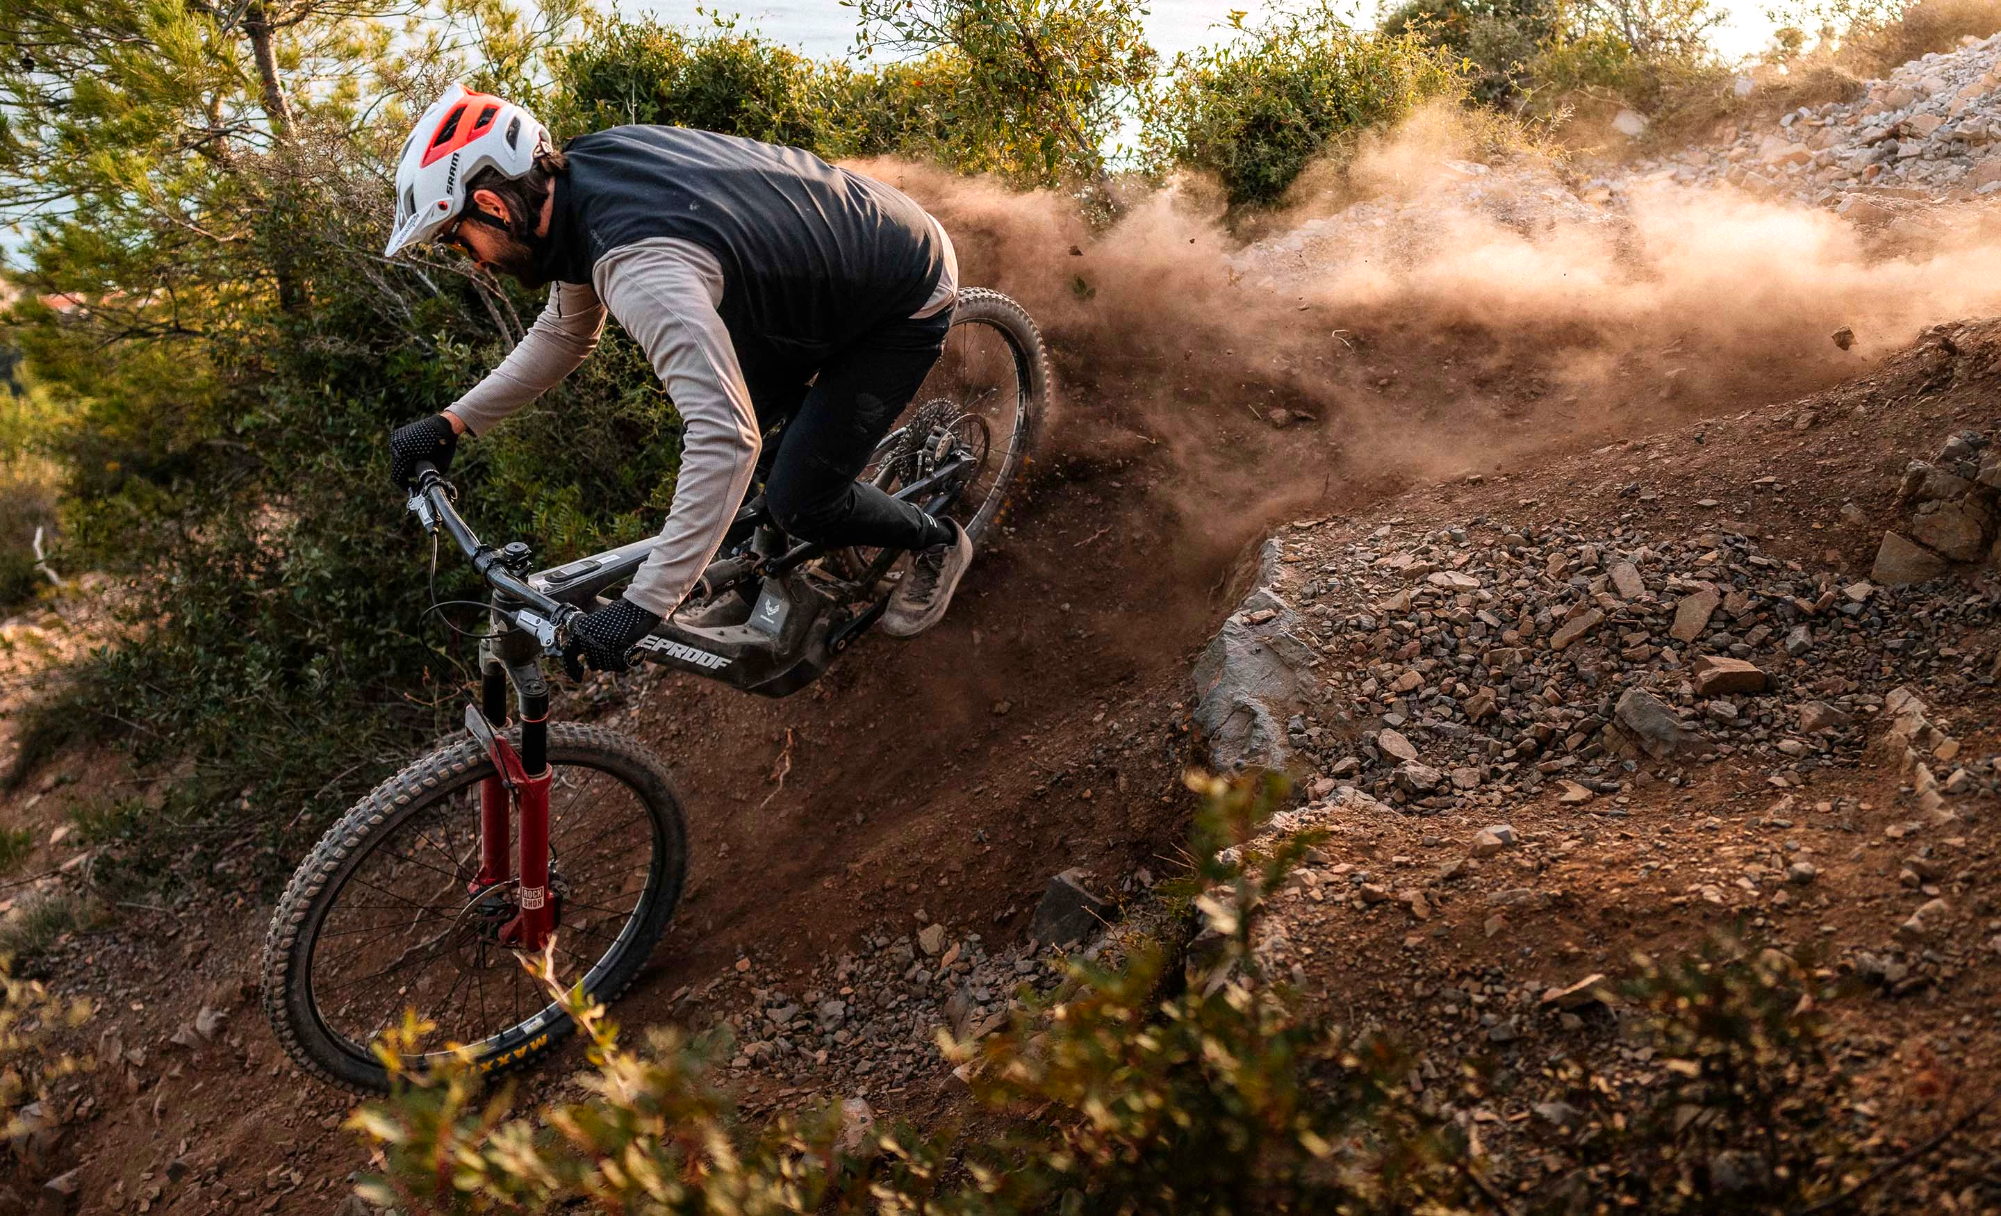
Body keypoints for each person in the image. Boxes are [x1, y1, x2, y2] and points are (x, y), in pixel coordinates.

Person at [383, 84, 973, 673]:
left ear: (492, 206)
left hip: (900, 294)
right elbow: (563, 333)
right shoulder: (583, 177)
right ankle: (765, 574)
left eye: (460, 242)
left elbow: (724, 439)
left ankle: (939, 540)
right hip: (824, 268)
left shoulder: (636, 263)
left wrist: (642, 606)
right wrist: (452, 422)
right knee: (761, 445)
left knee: (800, 499)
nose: (478, 263)